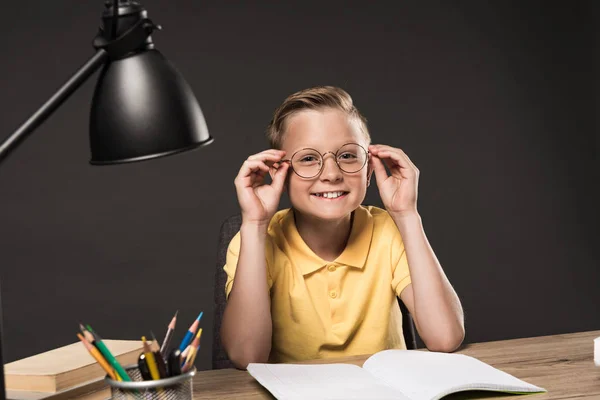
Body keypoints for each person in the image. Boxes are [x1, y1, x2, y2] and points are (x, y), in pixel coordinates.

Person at [220, 86, 464, 370]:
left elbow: (445, 338)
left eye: (347, 156)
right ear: (280, 173)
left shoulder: (387, 230)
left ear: (369, 170)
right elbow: (245, 355)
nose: (332, 174)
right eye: (308, 158)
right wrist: (255, 224)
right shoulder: (255, 240)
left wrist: (407, 214)